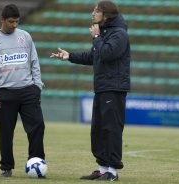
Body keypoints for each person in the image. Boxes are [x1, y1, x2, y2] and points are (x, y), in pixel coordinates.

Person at [51, 0, 130, 181]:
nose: (93, 13)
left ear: (107, 15)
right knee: (98, 129)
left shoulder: (119, 34)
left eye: (96, 10)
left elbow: (108, 53)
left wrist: (96, 38)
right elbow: (94, 56)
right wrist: (69, 56)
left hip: (114, 88)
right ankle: (102, 168)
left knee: (111, 129)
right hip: (102, 87)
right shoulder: (105, 33)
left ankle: (113, 171)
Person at [0, 4, 46, 178]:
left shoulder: (25, 36)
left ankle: (37, 163)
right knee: (5, 132)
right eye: (11, 22)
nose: (14, 25)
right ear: (2, 20)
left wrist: (37, 85)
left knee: (38, 126)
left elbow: (34, 61)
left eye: (17, 21)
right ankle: (6, 167)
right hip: (5, 93)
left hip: (28, 91)